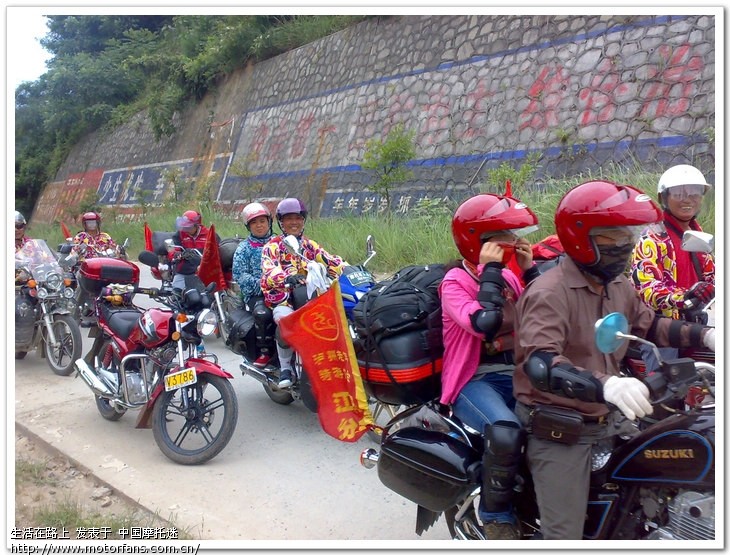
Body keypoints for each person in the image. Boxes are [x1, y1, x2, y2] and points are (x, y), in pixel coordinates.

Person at [511, 179, 715, 540]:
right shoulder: (549, 292)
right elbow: (540, 363)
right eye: (611, 237)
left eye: (628, 235)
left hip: (609, 419)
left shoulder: (617, 285)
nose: (624, 245)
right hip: (561, 430)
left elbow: (651, 326)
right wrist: (609, 384)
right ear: (579, 237)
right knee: (565, 536)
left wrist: (708, 336)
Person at [440, 193, 540, 540]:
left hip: (515, 373)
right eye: (506, 238)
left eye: (515, 237)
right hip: (473, 381)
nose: (514, 243)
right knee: (505, 430)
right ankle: (495, 515)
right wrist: (493, 270)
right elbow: (483, 322)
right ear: (479, 242)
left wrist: (530, 271)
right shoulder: (454, 282)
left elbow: (543, 315)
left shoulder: (510, 279)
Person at [630, 164, 715, 370]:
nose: (687, 199)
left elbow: (710, 274)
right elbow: (645, 288)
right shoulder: (652, 237)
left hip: (695, 319)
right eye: (678, 193)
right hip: (662, 324)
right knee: (667, 387)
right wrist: (684, 296)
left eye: (694, 192)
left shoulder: (696, 231)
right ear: (664, 198)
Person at [260, 198, 347, 388]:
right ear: (281, 222)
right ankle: (285, 368)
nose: (294, 222)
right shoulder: (272, 247)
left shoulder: (310, 246)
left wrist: (352, 270)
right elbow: (269, 271)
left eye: (298, 218)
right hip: (284, 299)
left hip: (311, 297)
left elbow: (331, 261)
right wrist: (285, 278)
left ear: (303, 220)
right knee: (286, 322)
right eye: (288, 218)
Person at [232, 202, 275, 368]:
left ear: (269, 222)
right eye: (254, 222)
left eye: (262, 221)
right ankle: (264, 352)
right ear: (248, 226)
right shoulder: (244, 248)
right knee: (263, 314)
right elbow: (240, 275)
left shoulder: (280, 242)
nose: (259, 225)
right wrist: (263, 284)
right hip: (257, 294)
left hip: (282, 290)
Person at [170, 210, 220, 290]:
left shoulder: (209, 234)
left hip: (205, 269)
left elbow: (217, 251)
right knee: (176, 290)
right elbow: (174, 248)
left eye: (189, 227)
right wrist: (177, 254)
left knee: (216, 290)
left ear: (197, 225)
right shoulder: (179, 234)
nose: (186, 229)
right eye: (184, 226)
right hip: (186, 269)